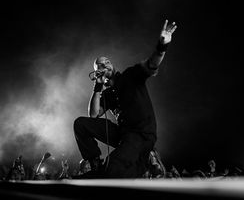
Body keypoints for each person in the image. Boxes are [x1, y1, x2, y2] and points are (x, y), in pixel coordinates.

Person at [73, 19, 177, 178]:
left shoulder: (129, 76)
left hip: (140, 133)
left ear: (112, 65)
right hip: (123, 133)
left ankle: (144, 165)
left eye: (107, 61)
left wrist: (162, 46)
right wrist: (98, 88)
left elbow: (151, 65)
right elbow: (93, 115)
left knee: (113, 168)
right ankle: (95, 163)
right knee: (80, 124)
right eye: (100, 65)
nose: (105, 64)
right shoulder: (106, 93)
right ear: (97, 71)